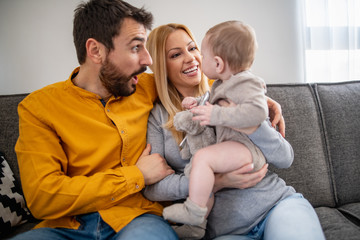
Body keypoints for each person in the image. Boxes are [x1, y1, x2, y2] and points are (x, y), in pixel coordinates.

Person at [143, 23, 325, 240]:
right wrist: (217, 181)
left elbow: (285, 158)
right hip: (226, 231)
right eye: (175, 54)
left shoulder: (234, 92)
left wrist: (254, 127)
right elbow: (153, 189)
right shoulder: (158, 118)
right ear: (161, 65)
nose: (191, 58)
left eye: (193, 48)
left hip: (276, 205)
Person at [13, 1, 178, 239]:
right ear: (96, 51)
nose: (148, 60)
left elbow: (215, 85)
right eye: (135, 48)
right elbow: (43, 197)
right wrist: (137, 176)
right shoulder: (38, 108)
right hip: (66, 227)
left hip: (137, 219)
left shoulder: (148, 86)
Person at [163, 21, 268, 226]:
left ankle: (193, 211)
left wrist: (216, 114)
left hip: (246, 150)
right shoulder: (221, 85)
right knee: (199, 169)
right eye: (176, 54)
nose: (195, 58)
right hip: (234, 147)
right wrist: (196, 106)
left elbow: (258, 111)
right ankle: (196, 227)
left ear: (218, 63)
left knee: (203, 158)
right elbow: (212, 110)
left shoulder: (245, 82)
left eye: (198, 51)